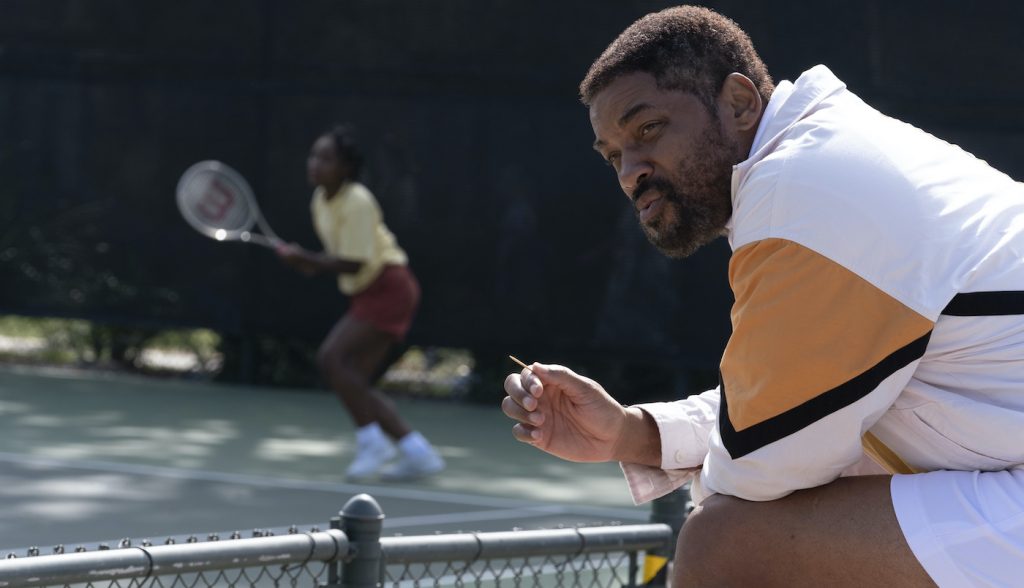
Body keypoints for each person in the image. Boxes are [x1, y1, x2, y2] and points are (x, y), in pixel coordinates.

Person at [501, 6, 1024, 587]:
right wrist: (634, 432)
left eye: (647, 129)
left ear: (740, 102)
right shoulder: (823, 160)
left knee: (728, 542)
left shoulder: (805, 191)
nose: (630, 172)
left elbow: (762, 468)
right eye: (613, 155)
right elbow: (787, 411)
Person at [277, 124, 445, 482]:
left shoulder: (357, 200)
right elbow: (337, 257)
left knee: (331, 358)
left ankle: (372, 442)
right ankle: (418, 451)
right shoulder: (320, 202)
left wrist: (306, 259)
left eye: (325, 158)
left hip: (390, 285)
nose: (315, 164)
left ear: (346, 168)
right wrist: (307, 262)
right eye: (313, 156)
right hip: (369, 289)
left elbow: (354, 261)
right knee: (354, 381)